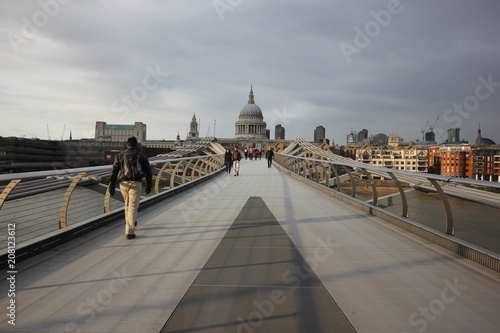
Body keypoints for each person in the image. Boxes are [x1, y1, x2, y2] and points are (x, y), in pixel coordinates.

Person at [108, 137, 152, 239]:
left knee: (127, 205)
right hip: (136, 183)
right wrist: (149, 185)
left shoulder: (120, 155)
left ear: (127, 145)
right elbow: (148, 171)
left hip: (123, 183)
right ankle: (130, 232)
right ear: (136, 145)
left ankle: (131, 223)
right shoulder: (141, 155)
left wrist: (111, 185)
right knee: (132, 206)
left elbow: (114, 172)